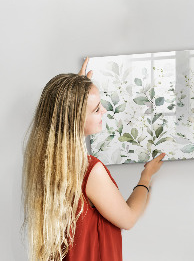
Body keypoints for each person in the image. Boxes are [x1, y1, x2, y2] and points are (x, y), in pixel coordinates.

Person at [22, 58, 165, 261]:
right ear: (75, 119)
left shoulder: (44, 161)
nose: (104, 111)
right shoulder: (90, 171)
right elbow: (128, 218)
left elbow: (63, 113)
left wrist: (76, 90)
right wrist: (146, 177)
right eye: (97, 109)